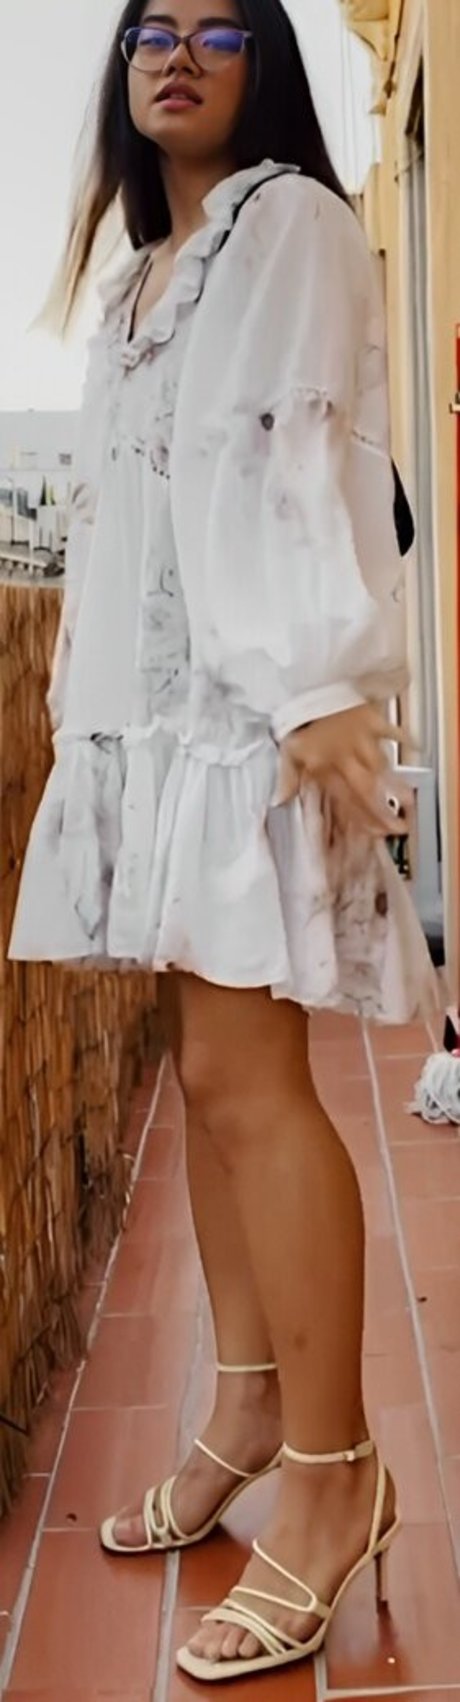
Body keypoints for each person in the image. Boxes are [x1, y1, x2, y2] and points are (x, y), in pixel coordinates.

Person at [9, 0, 437, 1682]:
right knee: (209, 1076)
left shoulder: (293, 222)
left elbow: (300, 452)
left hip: (256, 721)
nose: (176, 53)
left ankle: (337, 1478)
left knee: (260, 1088)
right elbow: (131, 516)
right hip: (161, 730)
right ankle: (253, 1405)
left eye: (219, 31)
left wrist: (321, 679)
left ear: (269, 66)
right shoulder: (140, 285)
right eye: (149, 31)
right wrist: (91, 733)